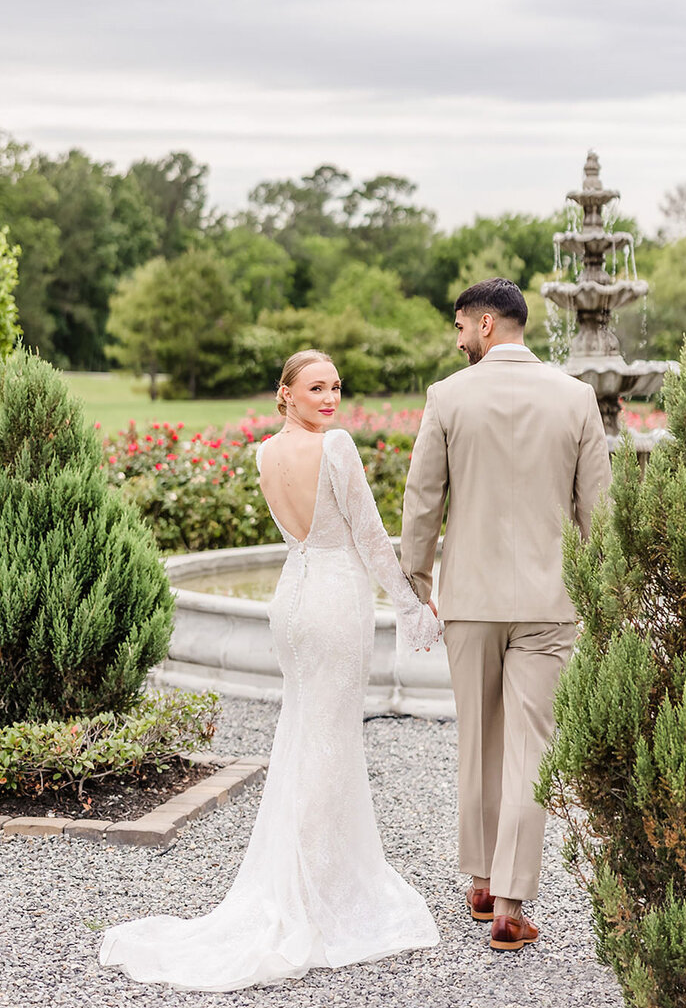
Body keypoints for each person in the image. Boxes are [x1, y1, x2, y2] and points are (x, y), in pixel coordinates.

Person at [100, 349, 441, 992]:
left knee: (305, 735)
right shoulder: (336, 448)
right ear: (285, 393)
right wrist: (415, 608)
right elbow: (370, 540)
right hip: (335, 602)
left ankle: (308, 877)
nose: (331, 398)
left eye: (336, 387)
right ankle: (310, 894)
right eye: (316, 387)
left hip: (290, 599)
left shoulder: (262, 453)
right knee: (330, 741)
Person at [400, 279, 611, 952]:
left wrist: (417, 581)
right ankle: (511, 905)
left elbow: (422, 499)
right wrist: (601, 595)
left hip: (470, 597)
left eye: (461, 325)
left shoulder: (448, 396)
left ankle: (483, 880)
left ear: (486, 324)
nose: (458, 338)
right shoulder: (577, 397)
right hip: (550, 602)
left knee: (479, 741)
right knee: (529, 747)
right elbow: (599, 512)